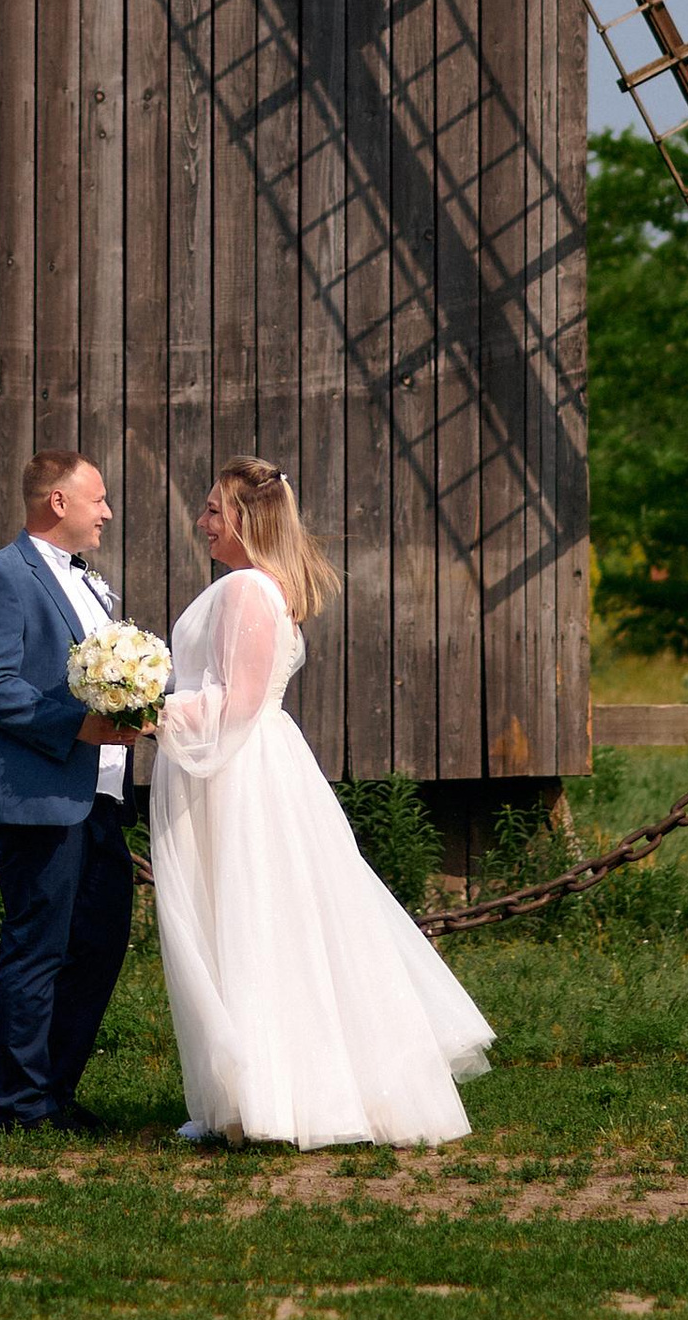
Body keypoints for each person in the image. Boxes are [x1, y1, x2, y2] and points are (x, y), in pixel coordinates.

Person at [149, 459, 493, 1149]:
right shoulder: (261, 587)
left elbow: (238, 703)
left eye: (214, 510)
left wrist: (145, 709)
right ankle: (256, 1095)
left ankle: (273, 1099)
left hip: (242, 777)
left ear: (245, 519)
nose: (202, 521)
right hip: (246, 765)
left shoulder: (248, 588)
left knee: (252, 921)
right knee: (265, 921)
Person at [0, 448, 137, 1134]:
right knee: (39, 948)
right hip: (37, 794)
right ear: (58, 502)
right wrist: (78, 726)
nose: (108, 512)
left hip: (102, 795)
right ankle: (22, 1106)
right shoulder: (1, 576)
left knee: (100, 943)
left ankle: (56, 1091)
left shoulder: (88, 581)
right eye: (99, 499)